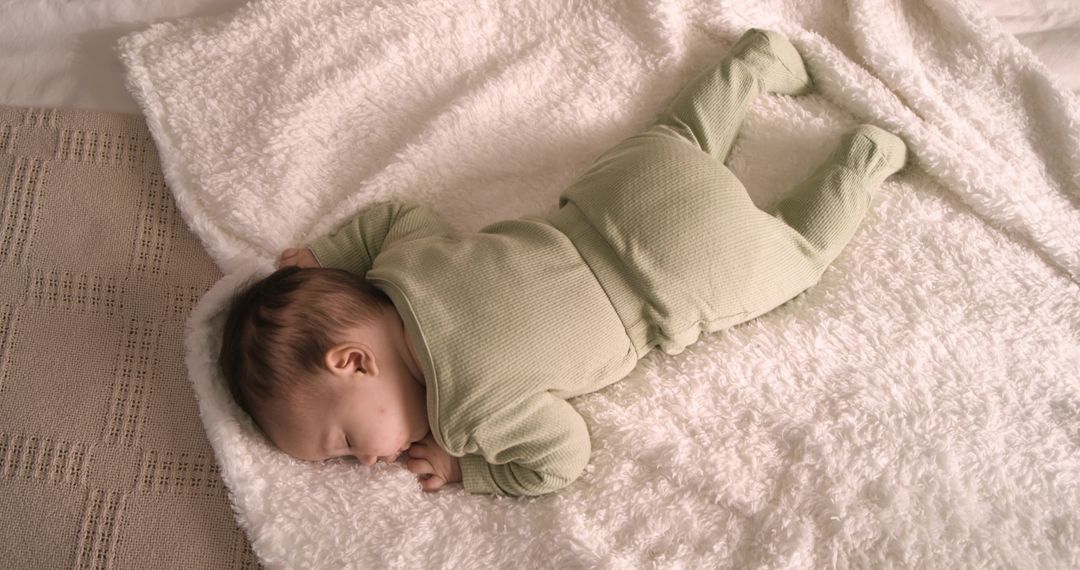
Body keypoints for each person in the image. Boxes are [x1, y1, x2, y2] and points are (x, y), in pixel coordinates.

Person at [218, 28, 907, 496]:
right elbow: (394, 212)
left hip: (679, 280)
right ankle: (757, 61)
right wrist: (323, 260)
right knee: (681, 135)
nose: (366, 462)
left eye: (343, 441)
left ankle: (866, 157)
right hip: (621, 196)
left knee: (801, 252)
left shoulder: (470, 412)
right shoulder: (405, 266)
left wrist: (467, 470)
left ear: (353, 361)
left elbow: (563, 459)